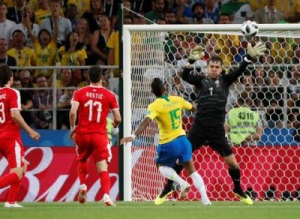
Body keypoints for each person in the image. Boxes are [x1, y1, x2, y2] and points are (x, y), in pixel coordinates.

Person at [157, 41, 267, 205]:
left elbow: (239, 71)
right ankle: (168, 187)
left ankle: (237, 188)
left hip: (217, 130)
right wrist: (191, 61)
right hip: (199, 128)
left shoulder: (225, 80)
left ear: (221, 68)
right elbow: (184, 76)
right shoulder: (200, 81)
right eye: (212, 66)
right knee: (181, 160)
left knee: (233, 164)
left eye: (217, 66)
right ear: (208, 67)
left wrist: (248, 58)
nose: (214, 69)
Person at [121, 78, 211, 206]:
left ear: (152, 91)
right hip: (183, 141)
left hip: (169, 143)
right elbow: (194, 108)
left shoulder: (154, 106)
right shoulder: (177, 99)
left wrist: (133, 135)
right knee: (193, 171)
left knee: (161, 166)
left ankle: (182, 183)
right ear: (165, 88)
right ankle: (206, 200)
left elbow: (146, 122)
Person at [69, 65, 121, 206]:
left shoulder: (79, 92)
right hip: (100, 135)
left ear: (88, 77)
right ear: (102, 78)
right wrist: (115, 125)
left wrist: (72, 128)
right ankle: (106, 196)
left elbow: (73, 112)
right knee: (102, 168)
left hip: (83, 134)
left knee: (82, 159)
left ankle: (83, 185)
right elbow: (117, 118)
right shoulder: (109, 95)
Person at [0, 64, 40, 208]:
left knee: (22, 165)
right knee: (17, 172)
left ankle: (11, 202)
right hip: (10, 137)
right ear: (10, 77)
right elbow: (15, 114)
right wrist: (30, 131)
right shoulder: (13, 93)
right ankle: (10, 201)